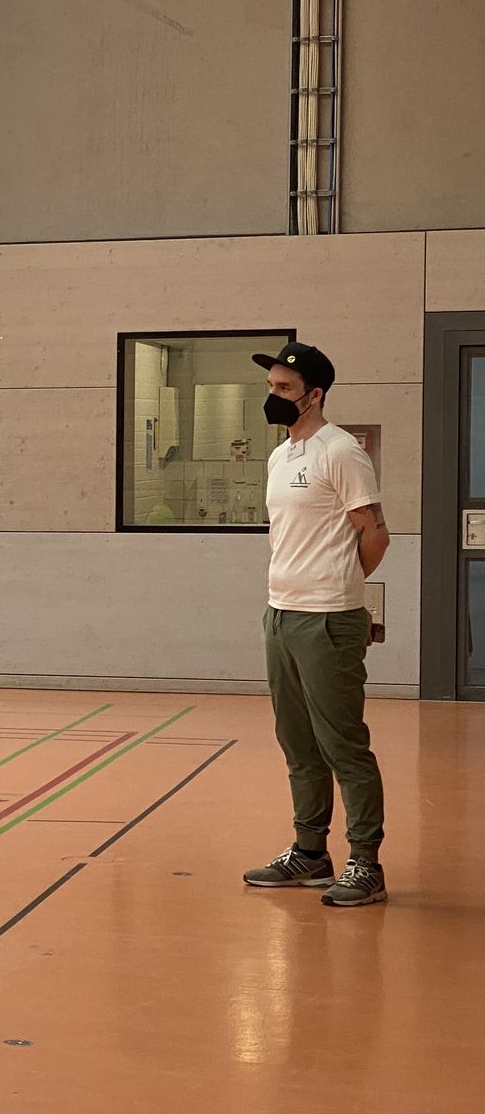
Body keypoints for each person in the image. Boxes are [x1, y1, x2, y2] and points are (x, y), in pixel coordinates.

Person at [240, 341, 390, 907]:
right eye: (271, 387)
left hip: (328, 619)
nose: (273, 396)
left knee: (343, 744)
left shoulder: (341, 451)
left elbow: (375, 533)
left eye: (284, 388)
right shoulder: (281, 457)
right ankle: (310, 853)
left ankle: (366, 863)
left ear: (315, 395)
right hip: (280, 613)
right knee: (297, 742)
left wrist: (342, 586)